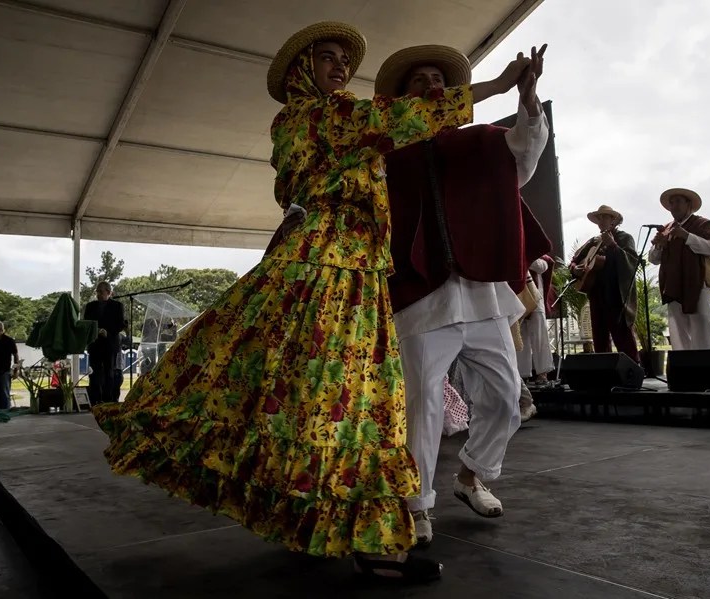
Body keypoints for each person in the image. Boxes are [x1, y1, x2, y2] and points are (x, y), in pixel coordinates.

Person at [93, 22, 532, 583]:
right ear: (303, 69)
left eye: (344, 61)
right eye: (328, 58)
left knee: (315, 399)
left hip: (349, 263)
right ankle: (373, 545)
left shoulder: (330, 120)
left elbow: (380, 140)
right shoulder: (315, 115)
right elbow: (392, 119)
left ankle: (314, 521)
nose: (340, 68)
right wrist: (492, 86)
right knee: (350, 400)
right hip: (330, 266)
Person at [373, 44, 551, 546]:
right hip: (421, 293)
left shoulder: (483, 141)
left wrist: (529, 97)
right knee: (423, 403)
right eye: (418, 81)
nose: (431, 84)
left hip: (482, 292)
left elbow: (526, 149)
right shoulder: (386, 150)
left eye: (438, 78)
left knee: (504, 401)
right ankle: (416, 504)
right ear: (402, 98)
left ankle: (471, 475)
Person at [648, 188, 710, 350]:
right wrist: (659, 246)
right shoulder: (666, 229)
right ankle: (685, 370)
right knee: (678, 331)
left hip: (698, 285)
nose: (674, 206)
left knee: (703, 328)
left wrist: (686, 236)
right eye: (672, 202)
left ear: (688, 204)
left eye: (678, 201)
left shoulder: (702, 224)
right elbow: (653, 259)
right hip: (673, 287)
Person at [570, 205, 640, 363]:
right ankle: (605, 374)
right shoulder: (594, 241)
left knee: (622, 335)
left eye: (604, 217)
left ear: (613, 220)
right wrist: (576, 269)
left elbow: (631, 262)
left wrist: (613, 246)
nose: (600, 221)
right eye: (599, 218)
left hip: (616, 294)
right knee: (599, 336)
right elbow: (574, 261)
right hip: (596, 292)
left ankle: (632, 373)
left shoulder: (624, 238)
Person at [83, 281, 127, 405]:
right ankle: (95, 399)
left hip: (110, 344)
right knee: (94, 372)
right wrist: (96, 331)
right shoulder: (90, 306)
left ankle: (109, 399)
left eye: (101, 291)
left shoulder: (117, 306)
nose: (98, 294)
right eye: (97, 291)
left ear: (108, 292)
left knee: (110, 372)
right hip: (95, 344)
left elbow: (120, 324)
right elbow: (86, 323)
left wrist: (107, 331)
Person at [517, 255, 555, 389]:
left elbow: (542, 266)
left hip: (535, 297)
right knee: (521, 336)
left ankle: (542, 373)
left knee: (539, 336)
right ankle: (522, 375)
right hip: (518, 296)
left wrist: (523, 255)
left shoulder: (536, 251)